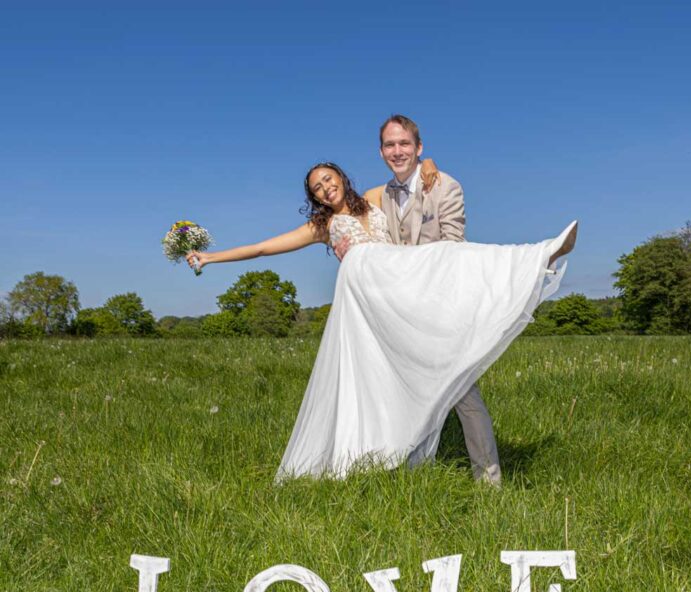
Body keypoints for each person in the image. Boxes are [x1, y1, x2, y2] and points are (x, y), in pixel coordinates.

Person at [186, 163, 577, 482]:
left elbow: (406, 179)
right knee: (376, 385)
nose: (325, 188)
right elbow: (262, 248)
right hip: (370, 301)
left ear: (340, 177)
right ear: (314, 198)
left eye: (328, 179)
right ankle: (372, 461)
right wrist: (210, 257)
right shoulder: (322, 227)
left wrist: (428, 164)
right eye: (316, 188)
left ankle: (537, 256)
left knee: (447, 255)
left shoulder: (374, 197)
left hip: (401, 285)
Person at [335, 114, 501, 485]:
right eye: (390, 145)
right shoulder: (379, 198)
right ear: (381, 152)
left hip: (442, 305)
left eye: (404, 144)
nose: (398, 151)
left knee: (463, 392)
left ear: (419, 147)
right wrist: (349, 249)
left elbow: (454, 247)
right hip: (401, 312)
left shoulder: (446, 186)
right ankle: (412, 473)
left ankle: (488, 480)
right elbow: (368, 237)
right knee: (406, 391)